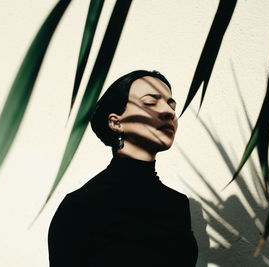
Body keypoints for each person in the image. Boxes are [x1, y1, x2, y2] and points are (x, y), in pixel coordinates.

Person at [48, 70, 198, 266]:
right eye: (150, 103)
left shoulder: (177, 204)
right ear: (116, 122)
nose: (169, 112)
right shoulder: (81, 206)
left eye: (172, 105)